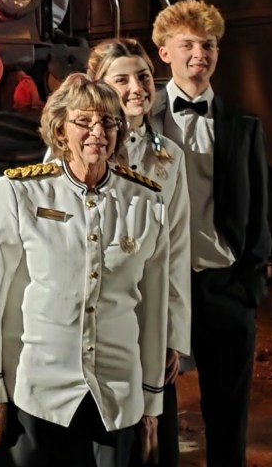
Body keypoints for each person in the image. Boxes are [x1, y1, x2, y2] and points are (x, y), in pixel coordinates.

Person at [0, 74, 169, 466]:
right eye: (85, 121)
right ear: (60, 128)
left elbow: (154, 308)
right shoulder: (19, 192)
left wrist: (152, 403)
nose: (98, 132)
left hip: (118, 394)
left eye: (109, 122)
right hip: (39, 391)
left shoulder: (147, 201)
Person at [150, 0, 270, 467]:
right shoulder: (141, 121)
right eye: (187, 45)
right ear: (165, 53)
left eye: (209, 45)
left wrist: (249, 286)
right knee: (157, 415)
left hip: (224, 286)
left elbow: (258, 210)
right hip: (161, 288)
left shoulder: (243, 126)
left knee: (228, 417)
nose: (199, 54)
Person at [86, 38, 191, 467]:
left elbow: (178, 250)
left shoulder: (170, 158)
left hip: (147, 321)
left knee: (150, 449)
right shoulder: (75, 149)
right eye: (122, 78)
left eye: (144, 77)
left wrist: (173, 336)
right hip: (95, 323)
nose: (136, 87)